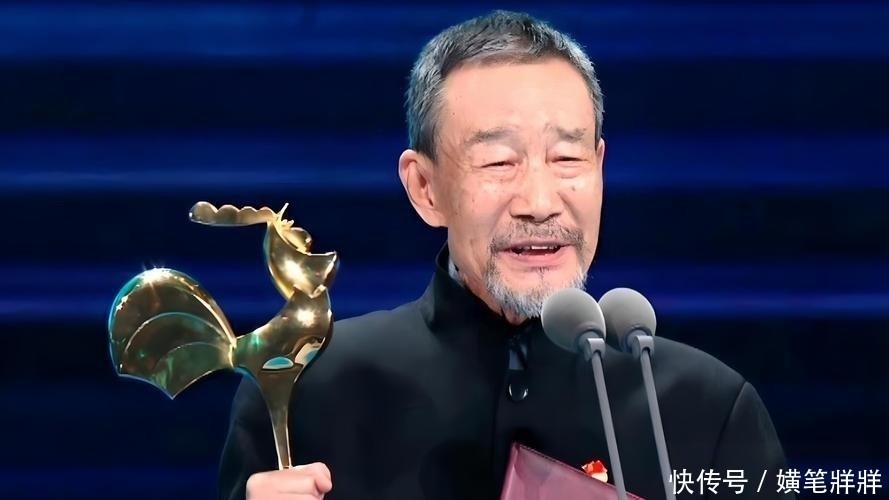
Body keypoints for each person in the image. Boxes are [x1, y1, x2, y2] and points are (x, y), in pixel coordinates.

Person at [218, 10, 790, 500]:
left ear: (600, 167)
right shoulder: (305, 391)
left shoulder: (706, 408)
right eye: (499, 162)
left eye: (567, 159)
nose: (540, 203)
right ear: (425, 188)